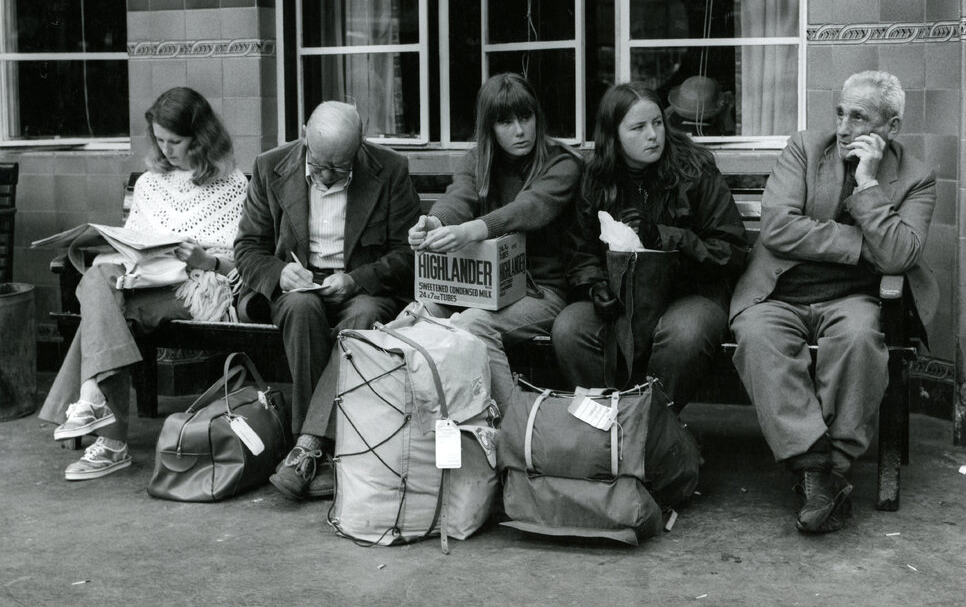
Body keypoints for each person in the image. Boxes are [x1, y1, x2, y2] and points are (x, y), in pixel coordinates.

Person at [730, 70, 937, 534]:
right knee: (757, 336)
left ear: (891, 127)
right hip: (779, 292)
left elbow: (900, 255)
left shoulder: (916, 177)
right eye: (840, 113)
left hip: (854, 298)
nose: (843, 128)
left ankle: (824, 473)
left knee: (860, 339)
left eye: (859, 117)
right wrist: (862, 245)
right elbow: (778, 228)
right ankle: (819, 471)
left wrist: (867, 185)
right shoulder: (806, 147)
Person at [39, 87, 248, 480]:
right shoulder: (151, 183)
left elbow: (243, 261)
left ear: (201, 137)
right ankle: (95, 409)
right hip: (143, 282)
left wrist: (204, 260)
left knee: (105, 314)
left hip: (197, 287)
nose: (166, 149)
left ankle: (106, 433)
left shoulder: (232, 184)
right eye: (160, 140)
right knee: (100, 276)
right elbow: (133, 242)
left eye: (176, 141)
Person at [235, 101, 421, 501]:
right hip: (298, 288)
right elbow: (248, 248)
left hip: (361, 288)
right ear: (305, 135)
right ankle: (328, 452)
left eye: (340, 167)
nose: (325, 175)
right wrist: (279, 274)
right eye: (319, 164)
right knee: (301, 309)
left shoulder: (390, 169)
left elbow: (407, 254)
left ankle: (308, 447)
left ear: (360, 145)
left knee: (364, 318)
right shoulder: (270, 166)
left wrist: (356, 280)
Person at [551, 81, 748, 409]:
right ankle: (604, 424)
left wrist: (665, 236)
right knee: (570, 328)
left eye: (657, 123)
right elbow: (580, 250)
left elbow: (731, 250)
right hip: (622, 297)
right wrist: (595, 285)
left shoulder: (694, 168)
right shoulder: (597, 177)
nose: (653, 135)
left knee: (683, 335)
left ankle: (652, 424)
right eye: (638, 127)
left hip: (690, 293)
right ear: (613, 135)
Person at [407, 72, 582, 411]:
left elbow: (529, 208)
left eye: (525, 117)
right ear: (489, 127)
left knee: (473, 324)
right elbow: (460, 197)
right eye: (505, 122)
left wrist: (472, 230)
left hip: (540, 290)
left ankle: (517, 426)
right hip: (480, 289)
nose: (520, 130)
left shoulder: (562, 163)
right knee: (419, 316)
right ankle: (441, 426)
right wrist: (434, 222)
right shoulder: (478, 160)